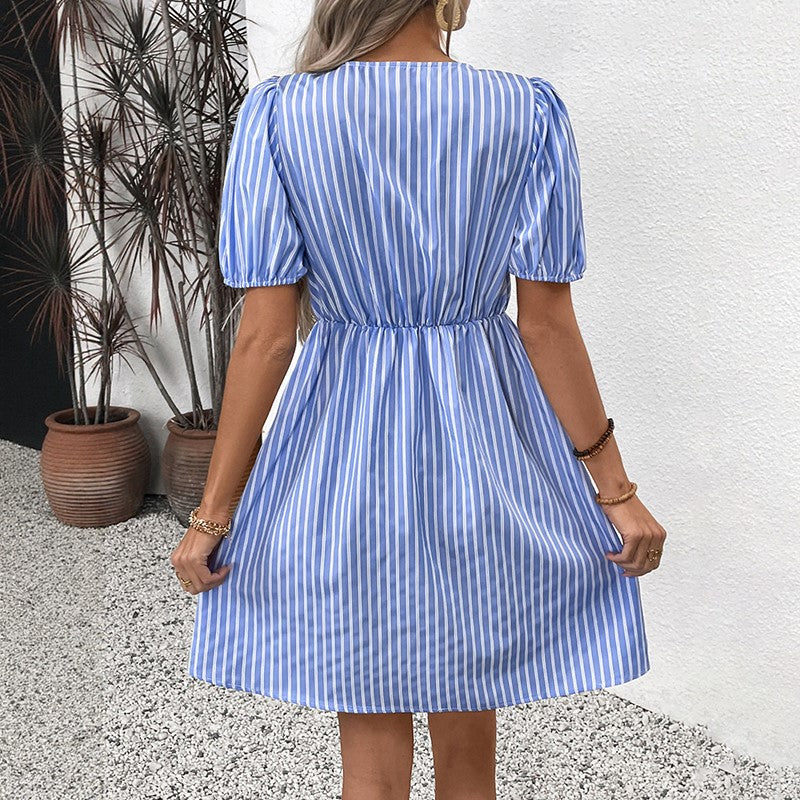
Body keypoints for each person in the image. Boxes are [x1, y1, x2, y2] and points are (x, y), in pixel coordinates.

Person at [170, 1, 667, 797]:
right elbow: (545, 327)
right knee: (469, 715)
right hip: (483, 439)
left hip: (345, 443)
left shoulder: (281, 114)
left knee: (369, 731)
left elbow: (266, 339)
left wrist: (212, 517)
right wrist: (616, 492)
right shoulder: (524, 110)